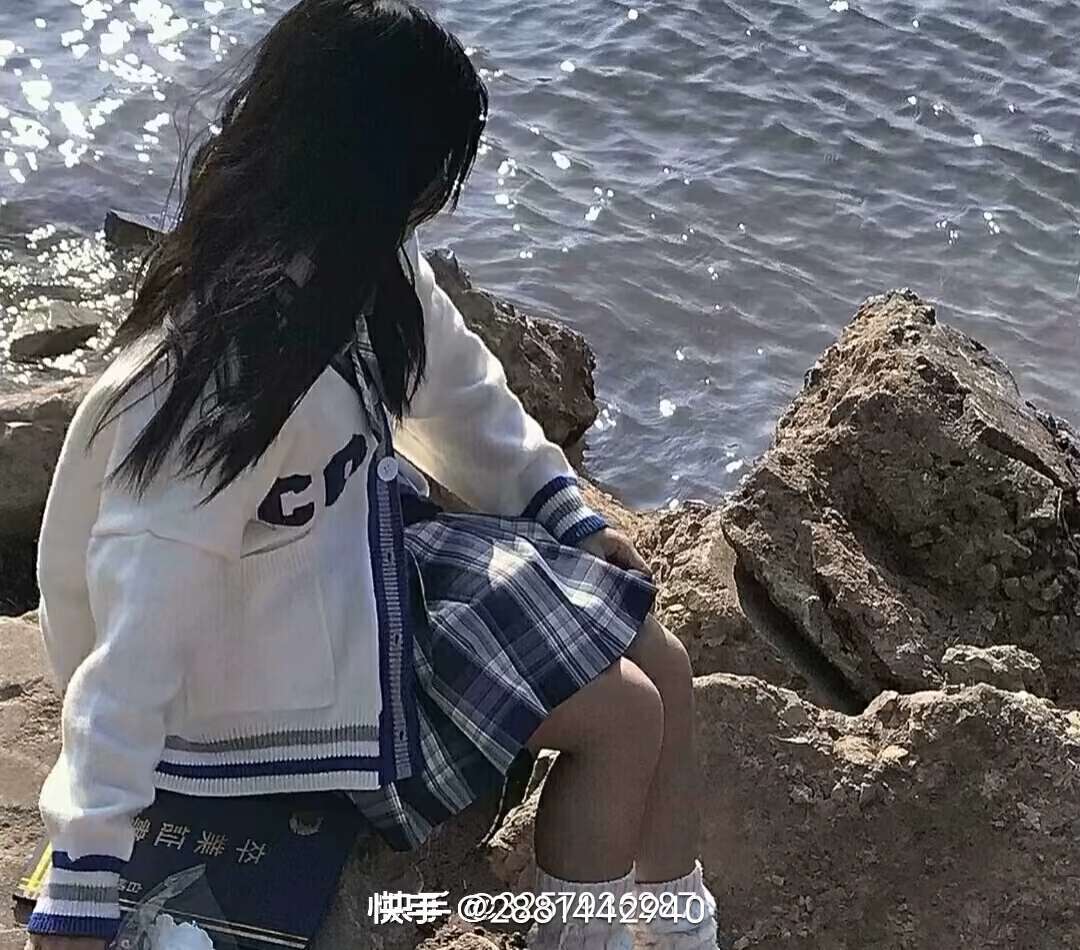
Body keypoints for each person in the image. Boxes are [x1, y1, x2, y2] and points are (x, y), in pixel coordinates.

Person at [23, 2, 722, 948]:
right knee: (625, 718)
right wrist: (84, 873)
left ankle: (679, 930)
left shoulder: (357, 256)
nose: (436, 199)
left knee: (661, 657)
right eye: (431, 173)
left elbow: (462, 393)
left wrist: (567, 515)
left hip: (335, 580)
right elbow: (138, 622)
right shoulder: (226, 372)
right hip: (237, 688)